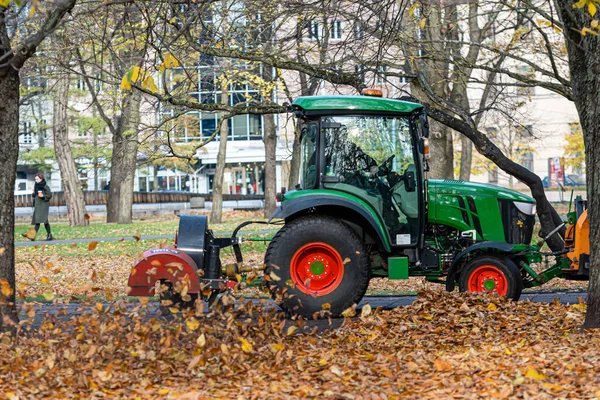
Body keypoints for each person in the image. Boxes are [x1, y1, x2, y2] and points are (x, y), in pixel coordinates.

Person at [31, 172, 53, 241]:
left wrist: (43, 196)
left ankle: (34, 236)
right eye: (35, 179)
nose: (36, 181)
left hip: (43, 205)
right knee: (40, 221)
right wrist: (33, 192)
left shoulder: (45, 186)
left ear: (41, 179)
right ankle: (49, 235)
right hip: (38, 205)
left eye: (37, 179)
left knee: (42, 221)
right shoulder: (36, 186)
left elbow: (49, 195)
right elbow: (35, 195)